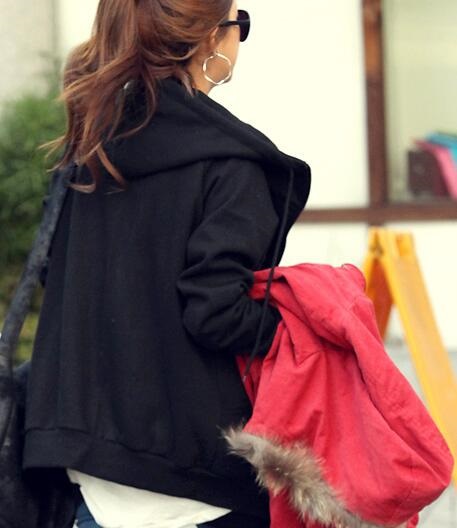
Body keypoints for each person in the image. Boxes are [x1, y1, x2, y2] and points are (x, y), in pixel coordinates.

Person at [22, 0, 311, 527]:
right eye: (240, 23)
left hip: (93, 478)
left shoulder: (88, 154)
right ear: (210, 39)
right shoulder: (230, 164)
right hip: (197, 481)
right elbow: (215, 313)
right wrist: (297, 327)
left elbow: (57, 281)